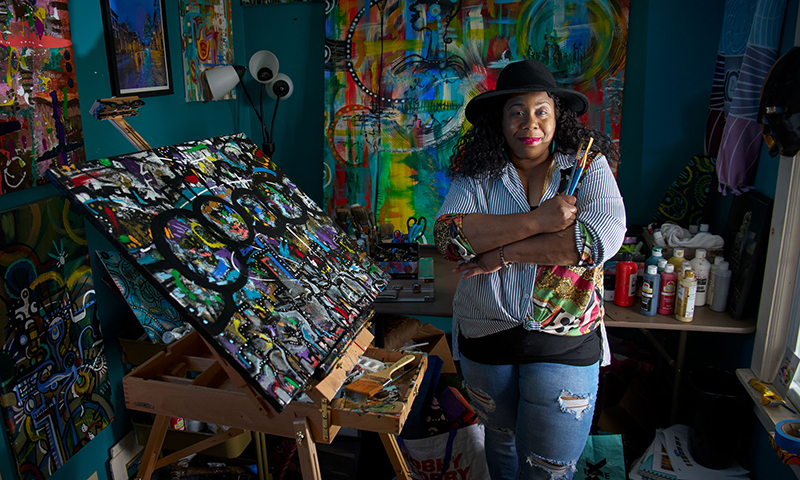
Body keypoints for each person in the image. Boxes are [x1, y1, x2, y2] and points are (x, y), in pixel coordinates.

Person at [434, 59, 626, 480]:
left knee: (550, 468)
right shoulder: (478, 174)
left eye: (541, 110)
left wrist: (498, 254)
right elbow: (450, 238)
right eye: (516, 111)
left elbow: (597, 242)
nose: (530, 122)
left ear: (557, 117)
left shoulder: (587, 168)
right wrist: (542, 221)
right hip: (486, 333)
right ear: (500, 122)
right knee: (500, 441)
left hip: (565, 340)